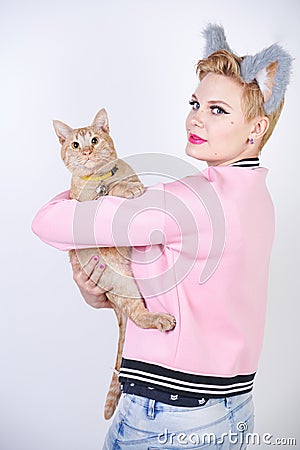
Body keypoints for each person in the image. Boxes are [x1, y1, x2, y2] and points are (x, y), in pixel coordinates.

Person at [32, 25, 292, 449]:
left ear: (256, 127)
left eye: (217, 110)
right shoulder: (257, 197)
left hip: (170, 418)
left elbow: (47, 222)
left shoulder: (192, 201)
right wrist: (105, 284)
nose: (196, 117)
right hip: (231, 409)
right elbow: (177, 269)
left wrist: (85, 180)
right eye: (196, 103)